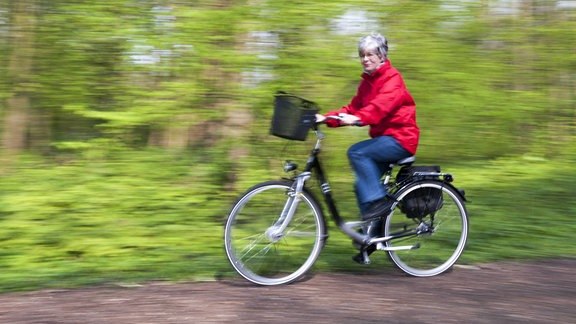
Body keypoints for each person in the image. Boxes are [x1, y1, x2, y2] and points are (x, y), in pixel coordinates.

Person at [316, 33, 419, 238]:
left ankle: (379, 204)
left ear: (381, 56)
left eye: (370, 54)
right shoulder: (367, 84)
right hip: (384, 140)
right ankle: (371, 235)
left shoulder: (392, 79)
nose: (365, 59)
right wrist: (325, 118)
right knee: (361, 184)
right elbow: (352, 108)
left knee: (357, 152)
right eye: (362, 55)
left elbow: (379, 107)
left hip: (401, 138)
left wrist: (358, 119)